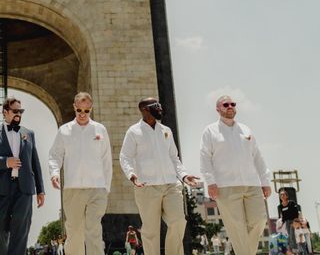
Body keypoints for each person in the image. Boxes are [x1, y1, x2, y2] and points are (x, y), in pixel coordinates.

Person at [119, 98, 200, 255]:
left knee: (178, 222)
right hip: (146, 187)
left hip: (171, 185)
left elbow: (174, 158)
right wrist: (131, 175)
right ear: (144, 109)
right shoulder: (133, 132)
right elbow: (125, 157)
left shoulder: (166, 131)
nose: (160, 108)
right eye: (156, 106)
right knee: (150, 231)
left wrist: (183, 176)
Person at [200, 95, 271, 255]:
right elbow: (205, 157)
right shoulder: (210, 131)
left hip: (252, 184)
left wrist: (265, 181)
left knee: (259, 221)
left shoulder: (246, 130)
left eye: (233, 104)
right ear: (218, 109)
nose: (230, 106)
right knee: (237, 228)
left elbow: (257, 156)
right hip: (225, 187)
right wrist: (210, 182)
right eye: (226, 104)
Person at [48, 92, 112, 255]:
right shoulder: (64, 131)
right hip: (73, 189)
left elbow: (107, 160)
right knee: (75, 233)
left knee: (94, 231)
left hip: (97, 189)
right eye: (79, 111)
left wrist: (106, 188)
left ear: (91, 109)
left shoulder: (100, 130)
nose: (83, 114)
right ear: (74, 108)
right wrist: (54, 173)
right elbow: (55, 155)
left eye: (86, 111)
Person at [0, 96, 45, 255]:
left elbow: (34, 163)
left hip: (24, 188)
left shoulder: (29, 133)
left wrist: (40, 190)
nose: (18, 114)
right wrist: (5, 162)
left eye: (20, 111)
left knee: (21, 227)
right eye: (15, 111)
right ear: (5, 112)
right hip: (0, 188)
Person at [277, 189, 300, 254]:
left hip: (293, 221)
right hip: (287, 222)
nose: (282, 196)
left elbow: (296, 212)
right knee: (289, 236)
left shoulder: (291, 203)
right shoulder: (280, 206)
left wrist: (295, 221)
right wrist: (281, 225)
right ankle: (291, 250)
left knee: (292, 235)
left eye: (283, 194)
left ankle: (295, 250)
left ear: (287, 196)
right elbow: (284, 216)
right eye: (281, 195)